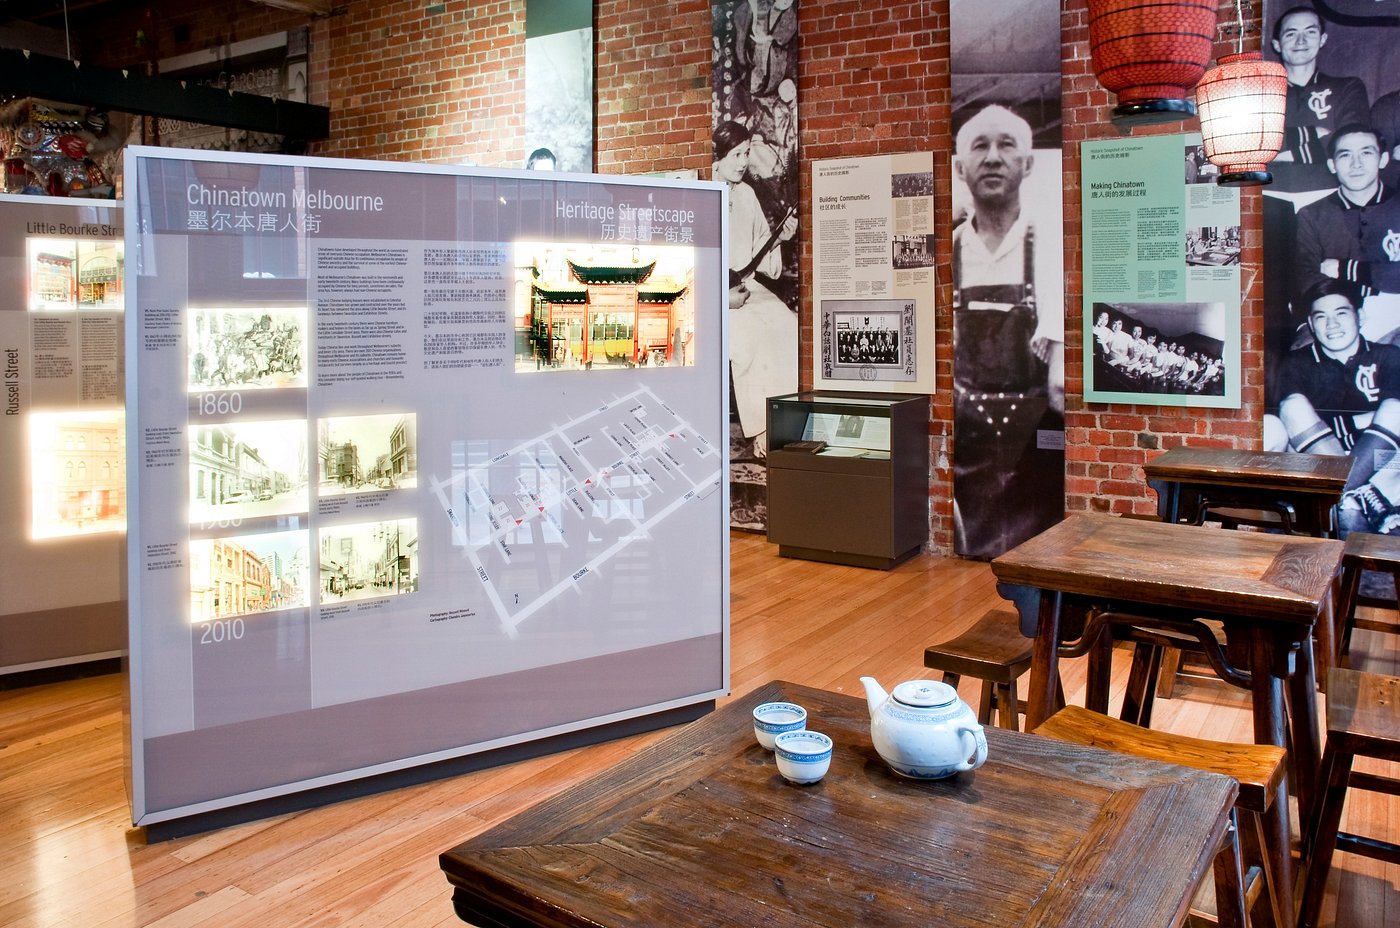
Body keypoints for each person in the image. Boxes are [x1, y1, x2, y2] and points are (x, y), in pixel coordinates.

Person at [950, 103, 1064, 557]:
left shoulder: (1051, 246)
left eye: (1007, 145)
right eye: (980, 146)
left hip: (1032, 455)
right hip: (966, 453)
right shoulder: (947, 251)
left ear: (1028, 163)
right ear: (960, 168)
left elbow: (1061, 377)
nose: (993, 157)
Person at [1275, 277, 1400, 532]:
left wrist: (1336, 423)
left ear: (1360, 316)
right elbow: (1292, 419)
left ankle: (1342, 494)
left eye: (1341, 313)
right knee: (1292, 406)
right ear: (1311, 324)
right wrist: (1364, 420)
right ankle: (1357, 494)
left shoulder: (1389, 356)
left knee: (1395, 410)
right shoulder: (1296, 363)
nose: (1332, 325)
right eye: (1321, 317)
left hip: (1381, 464)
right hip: (1318, 461)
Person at [714, 119, 798, 458]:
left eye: (746, 153)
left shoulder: (747, 194)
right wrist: (722, 299)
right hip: (716, 291)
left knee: (787, 324)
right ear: (718, 157)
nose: (742, 162)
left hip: (745, 283)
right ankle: (762, 432)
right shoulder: (702, 193)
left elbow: (759, 247)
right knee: (750, 338)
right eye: (736, 154)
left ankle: (784, 426)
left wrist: (780, 237)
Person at [1292, 125, 1400, 338]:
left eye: (1366, 153)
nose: (1356, 164)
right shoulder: (1311, 214)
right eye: (1345, 155)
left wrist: (1346, 269)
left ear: (1383, 159)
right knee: (1301, 353)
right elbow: (1306, 276)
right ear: (1332, 165)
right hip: (1336, 313)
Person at [1270, 6, 1370, 168]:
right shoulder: (1261, 94)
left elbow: (1351, 145)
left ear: (1322, 39)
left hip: (1327, 184)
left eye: (1310, 32)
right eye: (1291, 34)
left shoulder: (1347, 88)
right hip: (1272, 183)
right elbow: (1248, 146)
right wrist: (1314, 133)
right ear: (1277, 45)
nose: (1301, 41)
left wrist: (1275, 155)